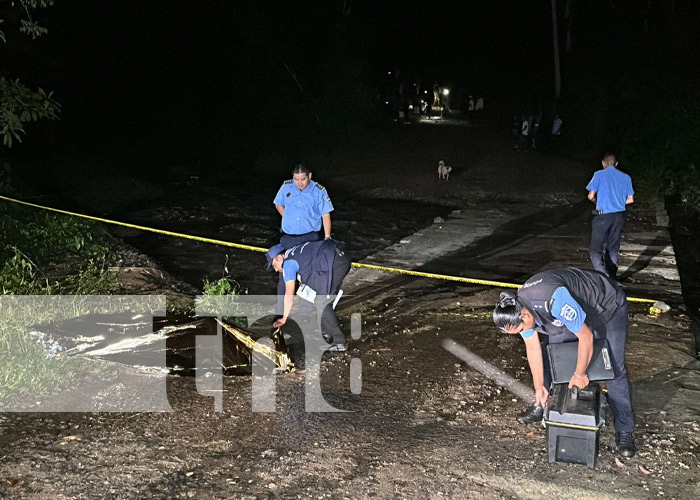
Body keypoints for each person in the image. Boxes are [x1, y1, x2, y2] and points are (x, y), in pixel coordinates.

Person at [492, 267, 636, 457]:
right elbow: (533, 347)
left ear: (524, 315)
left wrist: (580, 374)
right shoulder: (518, 309)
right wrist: (538, 387)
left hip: (606, 306)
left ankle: (625, 429)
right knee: (556, 359)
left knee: (613, 368)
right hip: (570, 311)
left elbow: (586, 336)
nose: (521, 333)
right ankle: (544, 405)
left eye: (520, 329)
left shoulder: (554, 300)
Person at [265, 240, 351, 352]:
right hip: (338, 255)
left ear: (280, 258)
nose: (276, 270)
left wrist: (283, 319)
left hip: (335, 261)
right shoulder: (292, 252)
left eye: (274, 265)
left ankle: (340, 342)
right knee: (322, 299)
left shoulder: (288, 264)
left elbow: (289, 294)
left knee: (322, 302)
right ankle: (326, 333)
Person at [273, 164, 334, 313]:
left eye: (303, 179)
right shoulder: (286, 187)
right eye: (296, 179)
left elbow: (326, 214)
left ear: (310, 176)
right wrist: (288, 216)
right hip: (289, 238)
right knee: (284, 273)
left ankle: (305, 312)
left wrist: (327, 238)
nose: (300, 183)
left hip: (310, 238)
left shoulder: (319, 191)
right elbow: (278, 203)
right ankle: (280, 311)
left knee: (308, 275)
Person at [586, 154, 634, 280]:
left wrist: (598, 202)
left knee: (595, 250)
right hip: (618, 216)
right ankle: (612, 276)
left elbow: (590, 196)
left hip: (602, 216)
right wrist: (617, 204)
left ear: (603, 163)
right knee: (613, 248)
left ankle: (604, 275)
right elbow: (630, 199)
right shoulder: (626, 177)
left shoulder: (599, 174)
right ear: (616, 164)